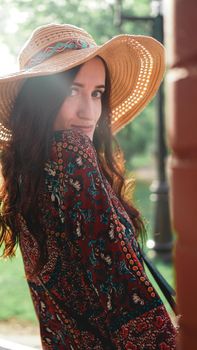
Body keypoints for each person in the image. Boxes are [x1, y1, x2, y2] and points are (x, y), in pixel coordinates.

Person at [0, 23, 177, 349]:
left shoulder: (25, 177)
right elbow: (132, 307)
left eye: (97, 93)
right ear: (41, 101)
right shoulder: (72, 158)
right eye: (71, 91)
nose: (89, 112)